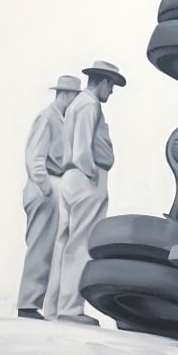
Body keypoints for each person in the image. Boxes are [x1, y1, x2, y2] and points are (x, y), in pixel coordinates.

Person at [46, 60, 126, 324]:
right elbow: (82, 146)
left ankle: (54, 308)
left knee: (63, 244)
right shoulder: (90, 104)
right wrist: (90, 172)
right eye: (111, 85)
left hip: (70, 178)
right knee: (80, 245)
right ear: (102, 82)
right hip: (86, 177)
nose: (111, 92)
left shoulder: (76, 105)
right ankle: (70, 310)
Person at [17, 75, 81, 319]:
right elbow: (34, 158)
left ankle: (33, 304)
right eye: (73, 96)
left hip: (52, 186)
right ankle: (27, 304)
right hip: (44, 187)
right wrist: (46, 188)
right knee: (39, 246)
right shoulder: (47, 118)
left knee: (47, 248)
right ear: (65, 95)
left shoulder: (61, 119)